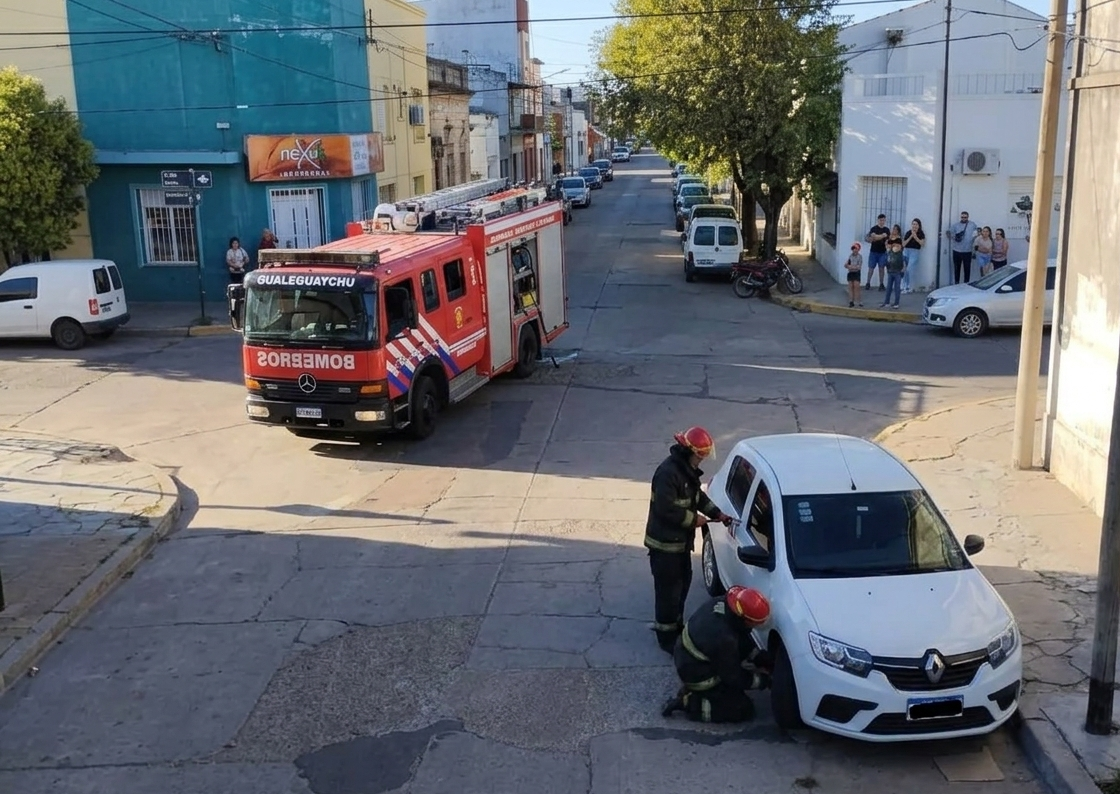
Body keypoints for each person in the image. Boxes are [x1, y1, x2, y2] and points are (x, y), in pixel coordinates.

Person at [645, 427, 732, 653]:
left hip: (679, 545)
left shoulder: (686, 471)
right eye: (700, 455)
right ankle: (667, 639)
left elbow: (698, 497)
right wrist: (694, 520)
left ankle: (676, 628)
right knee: (668, 593)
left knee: (682, 586)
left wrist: (717, 514)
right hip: (664, 547)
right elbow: (665, 510)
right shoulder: (667, 473)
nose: (702, 460)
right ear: (689, 451)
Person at [661, 586, 773, 723]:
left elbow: (742, 637)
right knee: (742, 710)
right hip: (696, 672)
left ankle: (698, 694)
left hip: (688, 653)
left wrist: (759, 658)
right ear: (746, 619)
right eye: (754, 624)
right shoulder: (723, 638)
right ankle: (689, 703)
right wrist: (763, 681)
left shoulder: (724, 604)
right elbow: (733, 677)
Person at [946, 211, 979, 284]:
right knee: (957, 269)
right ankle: (956, 284)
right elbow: (948, 232)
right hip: (957, 251)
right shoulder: (956, 225)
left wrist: (975, 237)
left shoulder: (972, 225)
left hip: (967, 251)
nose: (963, 218)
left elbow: (978, 231)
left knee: (967, 269)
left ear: (968, 217)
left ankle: (966, 284)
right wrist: (954, 237)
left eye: (965, 217)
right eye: (962, 217)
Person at [864, 214, 890, 292]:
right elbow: (873, 237)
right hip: (873, 251)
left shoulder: (887, 229)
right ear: (878, 220)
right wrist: (882, 236)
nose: (882, 222)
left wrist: (876, 237)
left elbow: (878, 238)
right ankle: (868, 283)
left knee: (881, 268)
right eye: (881, 220)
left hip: (882, 252)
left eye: (883, 220)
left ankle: (881, 284)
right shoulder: (873, 228)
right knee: (871, 268)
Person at [901, 218, 925, 294]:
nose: (914, 226)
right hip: (906, 251)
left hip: (915, 252)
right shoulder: (908, 233)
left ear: (919, 226)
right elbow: (903, 244)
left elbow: (922, 244)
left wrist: (916, 237)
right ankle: (905, 286)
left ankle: (911, 286)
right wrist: (911, 236)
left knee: (909, 269)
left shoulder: (921, 233)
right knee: (905, 270)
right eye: (913, 224)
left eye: (916, 224)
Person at [880, 240, 905, 310]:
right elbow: (885, 261)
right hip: (890, 272)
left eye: (898, 246)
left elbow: (904, 263)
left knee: (897, 288)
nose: (896, 247)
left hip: (898, 273)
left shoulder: (902, 254)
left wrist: (903, 270)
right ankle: (886, 302)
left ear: (901, 247)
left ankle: (896, 303)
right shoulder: (889, 253)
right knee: (888, 288)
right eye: (894, 246)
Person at [844, 242, 863, 308]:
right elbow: (846, 265)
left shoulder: (859, 257)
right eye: (853, 248)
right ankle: (851, 301)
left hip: (856, 273)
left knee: (856, 287)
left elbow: (858, 267)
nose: (854, 250)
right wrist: (850, 266)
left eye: (856, 248)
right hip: (850, 273)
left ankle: (859, 301)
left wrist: (850, 267)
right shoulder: (850, 256)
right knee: (850, 287)